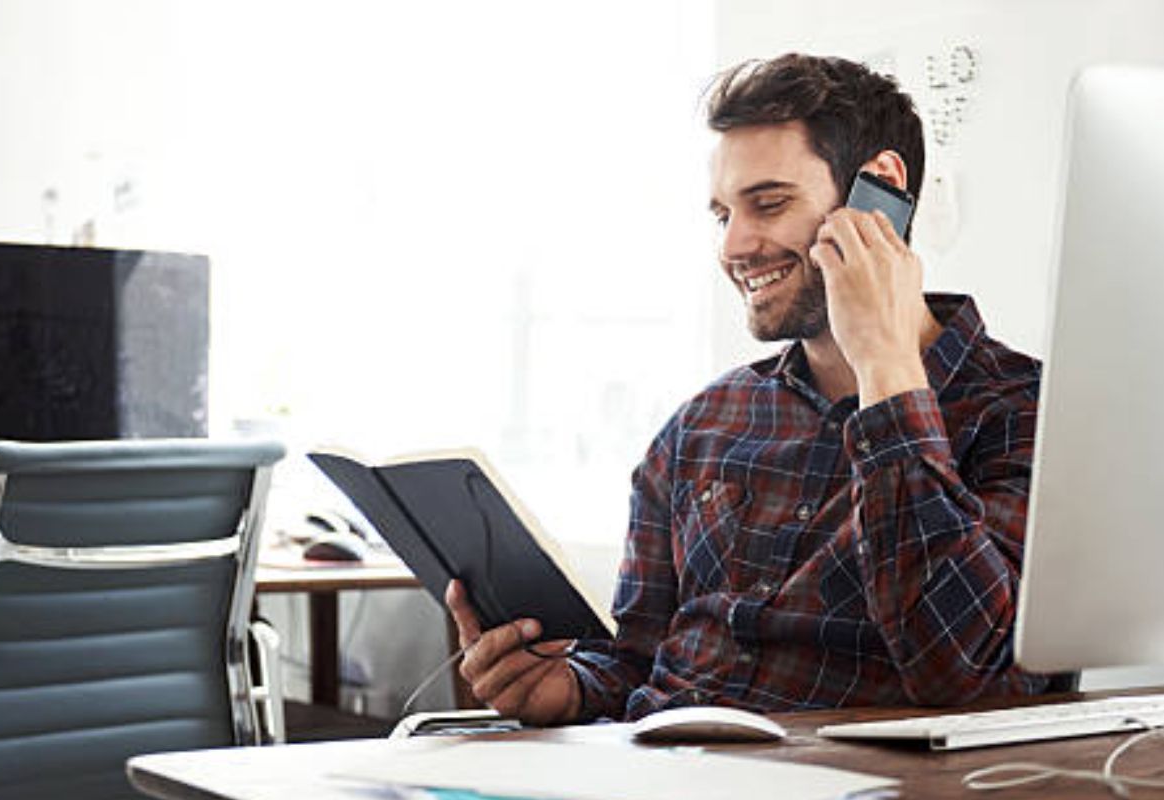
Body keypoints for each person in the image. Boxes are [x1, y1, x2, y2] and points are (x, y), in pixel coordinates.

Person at [446, 52, 1053, 724]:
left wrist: (884, 366)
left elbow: (967, 673)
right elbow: (636, 660)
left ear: (878, 192)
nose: (733, 246)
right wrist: (566, 687)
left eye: (768, 203)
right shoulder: (704, 423)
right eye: (722, 215)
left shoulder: (1031, 415)